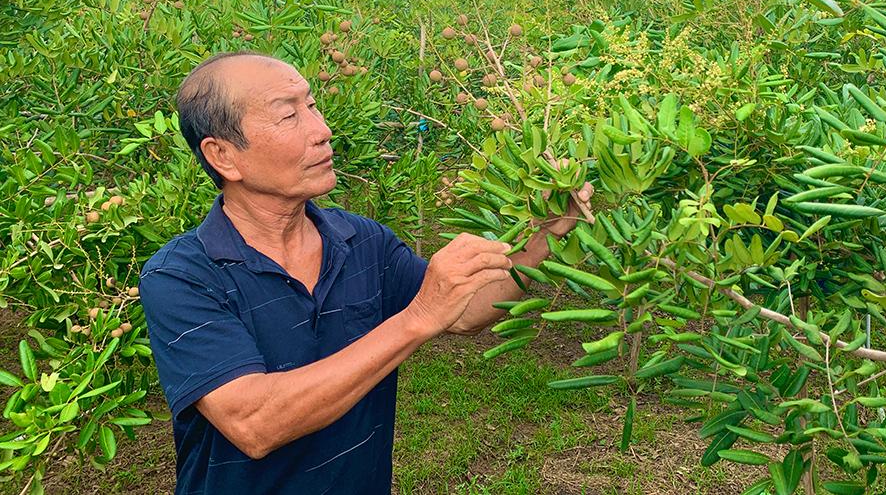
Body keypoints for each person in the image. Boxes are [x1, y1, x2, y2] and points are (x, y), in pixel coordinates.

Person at [138, 51, 593, 495]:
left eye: (312, 106)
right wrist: (417, 317)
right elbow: (255, 422)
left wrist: (546, 236)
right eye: (288, 117)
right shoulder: (180, 276)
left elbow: (462, 314)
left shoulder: (360, 240)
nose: (322, 130)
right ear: (223, 156)